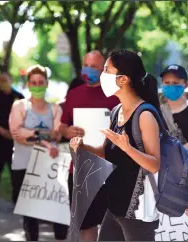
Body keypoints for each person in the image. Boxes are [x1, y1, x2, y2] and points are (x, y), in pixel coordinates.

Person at [71, 49, 163, 241]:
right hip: (114, 204)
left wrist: (127, 148)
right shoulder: (116, 111)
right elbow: (106, 152)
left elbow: (155, 164)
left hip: (137, 210)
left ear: (123, 79)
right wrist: (83, 147)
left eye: (107, 70)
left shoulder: (144, 114)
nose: (102, 76)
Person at [59, 50, 119, 241]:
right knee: (86, 224)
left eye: (94, 66)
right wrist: (67, 131)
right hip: (81, 169)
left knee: (116, 224)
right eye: (86, 64)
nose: (88, 69)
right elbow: (62, 125)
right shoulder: (74, 94)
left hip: (112, 169)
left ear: (103, 69)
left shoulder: (115, 95)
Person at [9, 64, 68, 241]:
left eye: (40, 82)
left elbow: (57, 135)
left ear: (47, 83)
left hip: (50, 165)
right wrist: (44, 135)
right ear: (28, 85)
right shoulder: (19, 106)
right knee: (30, 214)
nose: (37, 86)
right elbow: (18, 136)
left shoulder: (56, 109)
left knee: (56, 209)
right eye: (33, 82)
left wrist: (31, 133)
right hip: (23, 164)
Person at [0, 73, 24, 210]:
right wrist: (2, 131)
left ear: (11, 80)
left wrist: (14, 132)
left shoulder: (19, 97)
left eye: (5, 80)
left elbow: (26, 117)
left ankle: (17, 202)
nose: (3, 83)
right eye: (0, 80)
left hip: (15, 143)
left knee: (16, 174)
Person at [159, 64, 188, 150]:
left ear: (185, 84)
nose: (171, 86)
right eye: (167, 83)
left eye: (175, 83)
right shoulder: (158, 112)